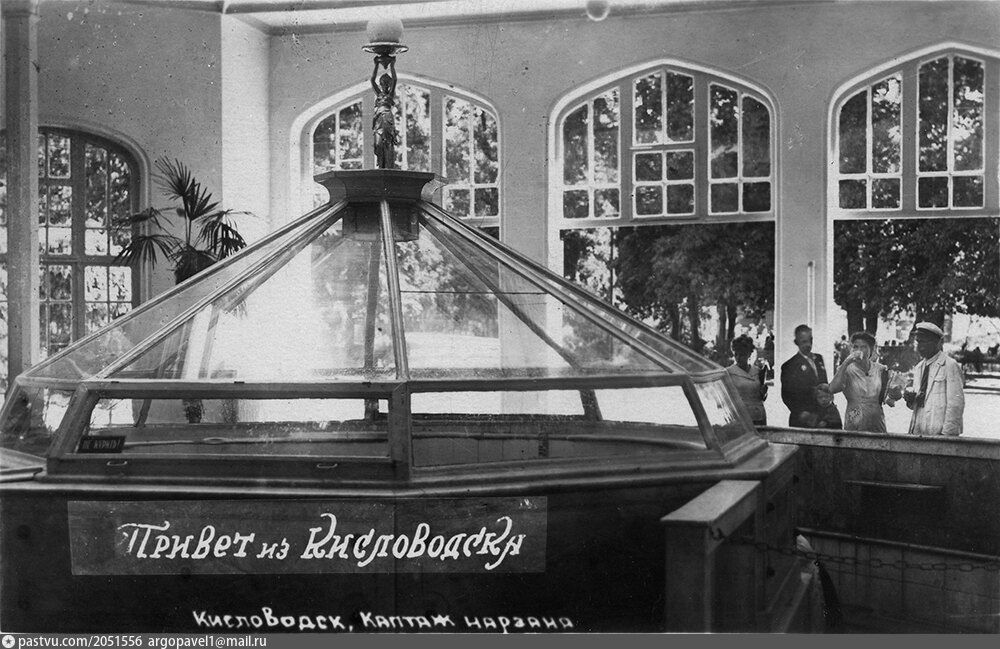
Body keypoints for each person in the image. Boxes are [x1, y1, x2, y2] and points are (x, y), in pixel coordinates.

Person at [828, 331, 899, 433]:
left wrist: (895, 393)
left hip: (877, 421)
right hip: (854, 418)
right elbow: (833, 389)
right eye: (855, 347)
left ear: (871, 349)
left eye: (864, 347)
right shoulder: (846, 369)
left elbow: (890, 399)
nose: (859, 350)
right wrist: (846, 363)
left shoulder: (880, 369)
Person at [904, 322, 965, 436]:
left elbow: (956, 404)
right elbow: (920, 403)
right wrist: (911, 400)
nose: (920, 346)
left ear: (937, 342)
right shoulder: (919, 368)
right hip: (919, 430)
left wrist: (947, 434)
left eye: (924, 342)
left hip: (940, 433)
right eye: (918, 342)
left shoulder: (950, 365)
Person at [781, 324, 829, 427]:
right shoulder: (790, 365)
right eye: (804, 341)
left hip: (821, 416)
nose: (808, 344)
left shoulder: (819, 359)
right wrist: (800, 412)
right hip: (802, 417)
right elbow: (786, 394)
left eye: (810, 340)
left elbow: (824, 385)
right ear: (796, 342)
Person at [725, 335, 768, 426]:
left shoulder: (757, 371)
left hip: (758, 415)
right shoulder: (729, 372)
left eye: (742, 355)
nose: (738, 358)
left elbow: (760, 397)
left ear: (749, 354)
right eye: (736, 354)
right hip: (740, 416)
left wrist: (763, 393)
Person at [370, 54, 399, 169]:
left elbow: (395, 79)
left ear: (390, 84)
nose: (385, 85)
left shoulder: (390, 94)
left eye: (387, 83)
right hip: (378, 119)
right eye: (383, 83)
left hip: (387, 118)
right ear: (381, 84)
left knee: (388, 142)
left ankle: (388, 166)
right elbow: (372, 80)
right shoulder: (379, 94)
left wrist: (392, 66)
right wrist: (376, 65)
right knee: (378, 144)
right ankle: (381, 166)